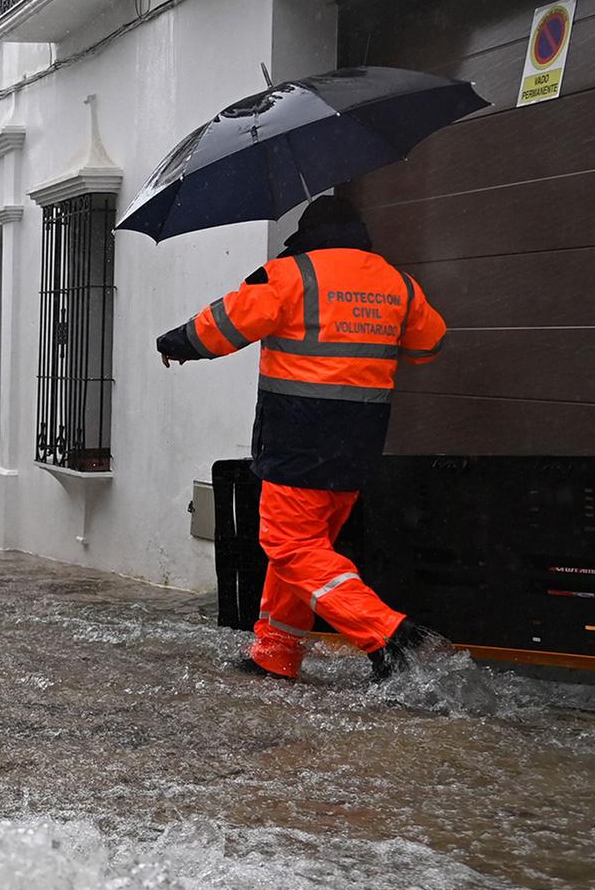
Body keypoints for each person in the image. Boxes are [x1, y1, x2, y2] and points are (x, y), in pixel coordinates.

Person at [156, 196, 447, 681]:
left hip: (299, 433)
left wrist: (174, 342)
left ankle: (390, 635)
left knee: (289, 546)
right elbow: (428, 343)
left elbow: (222, 327)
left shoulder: (289, 275)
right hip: (359, 441)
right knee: (305, 548)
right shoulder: (396, 282)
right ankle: (275, 651)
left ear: (307, 235)